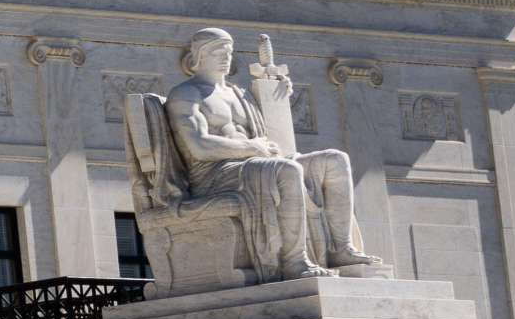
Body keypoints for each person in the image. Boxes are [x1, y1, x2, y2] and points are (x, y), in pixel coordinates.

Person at [159, 28, 380, 281]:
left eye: (229, 52)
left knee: (335, 160)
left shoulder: (238, 94)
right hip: (214, 175)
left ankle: (341, 248)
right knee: (287, 171)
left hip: (255, 163)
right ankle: (294, 261)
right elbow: (198, 146)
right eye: (217, 51)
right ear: (199, 55)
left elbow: (267, 134)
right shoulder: (186, 94)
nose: (225, 57)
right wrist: (252, 148)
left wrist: (275, 92)